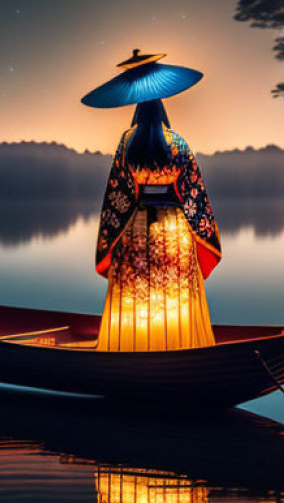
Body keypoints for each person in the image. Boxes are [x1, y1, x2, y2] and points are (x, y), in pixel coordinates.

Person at [84, 52, 221, 352]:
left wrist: (112, 233)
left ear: (137, 109)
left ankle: (135, 347)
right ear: (161, 108)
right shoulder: (178, 143)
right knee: (173, 294)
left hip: (135, 227)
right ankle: (176, 347)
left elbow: (116, 194)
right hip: (175, 231)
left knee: (137, 293)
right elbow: (195, 193)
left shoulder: (127, 143)